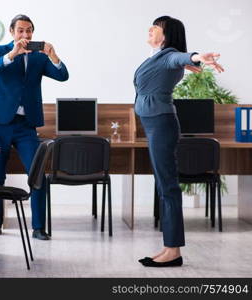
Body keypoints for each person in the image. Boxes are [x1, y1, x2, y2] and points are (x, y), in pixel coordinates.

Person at [134, 16, 224, 267]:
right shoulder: (156, 57)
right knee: (164, 188)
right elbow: (172, 65)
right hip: (154, 124)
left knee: (168, 187)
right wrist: (187, 62)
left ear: (167, 35)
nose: (150, 28)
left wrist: (196, 57)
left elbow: (181, 57)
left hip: (161, 125)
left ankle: (173, 251)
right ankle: (169, 247)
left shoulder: (170, 55)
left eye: (157, 26)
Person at [0, 14, 69, 240]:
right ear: (12, 32)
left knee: (37, 173)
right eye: (20, 30)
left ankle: (38, 227)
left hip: (25, 125)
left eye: (29, 30)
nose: (25, 35)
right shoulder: (0, 51)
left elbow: (63, 76)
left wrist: (53, 55)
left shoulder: (39, 58)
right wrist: (13, 54)